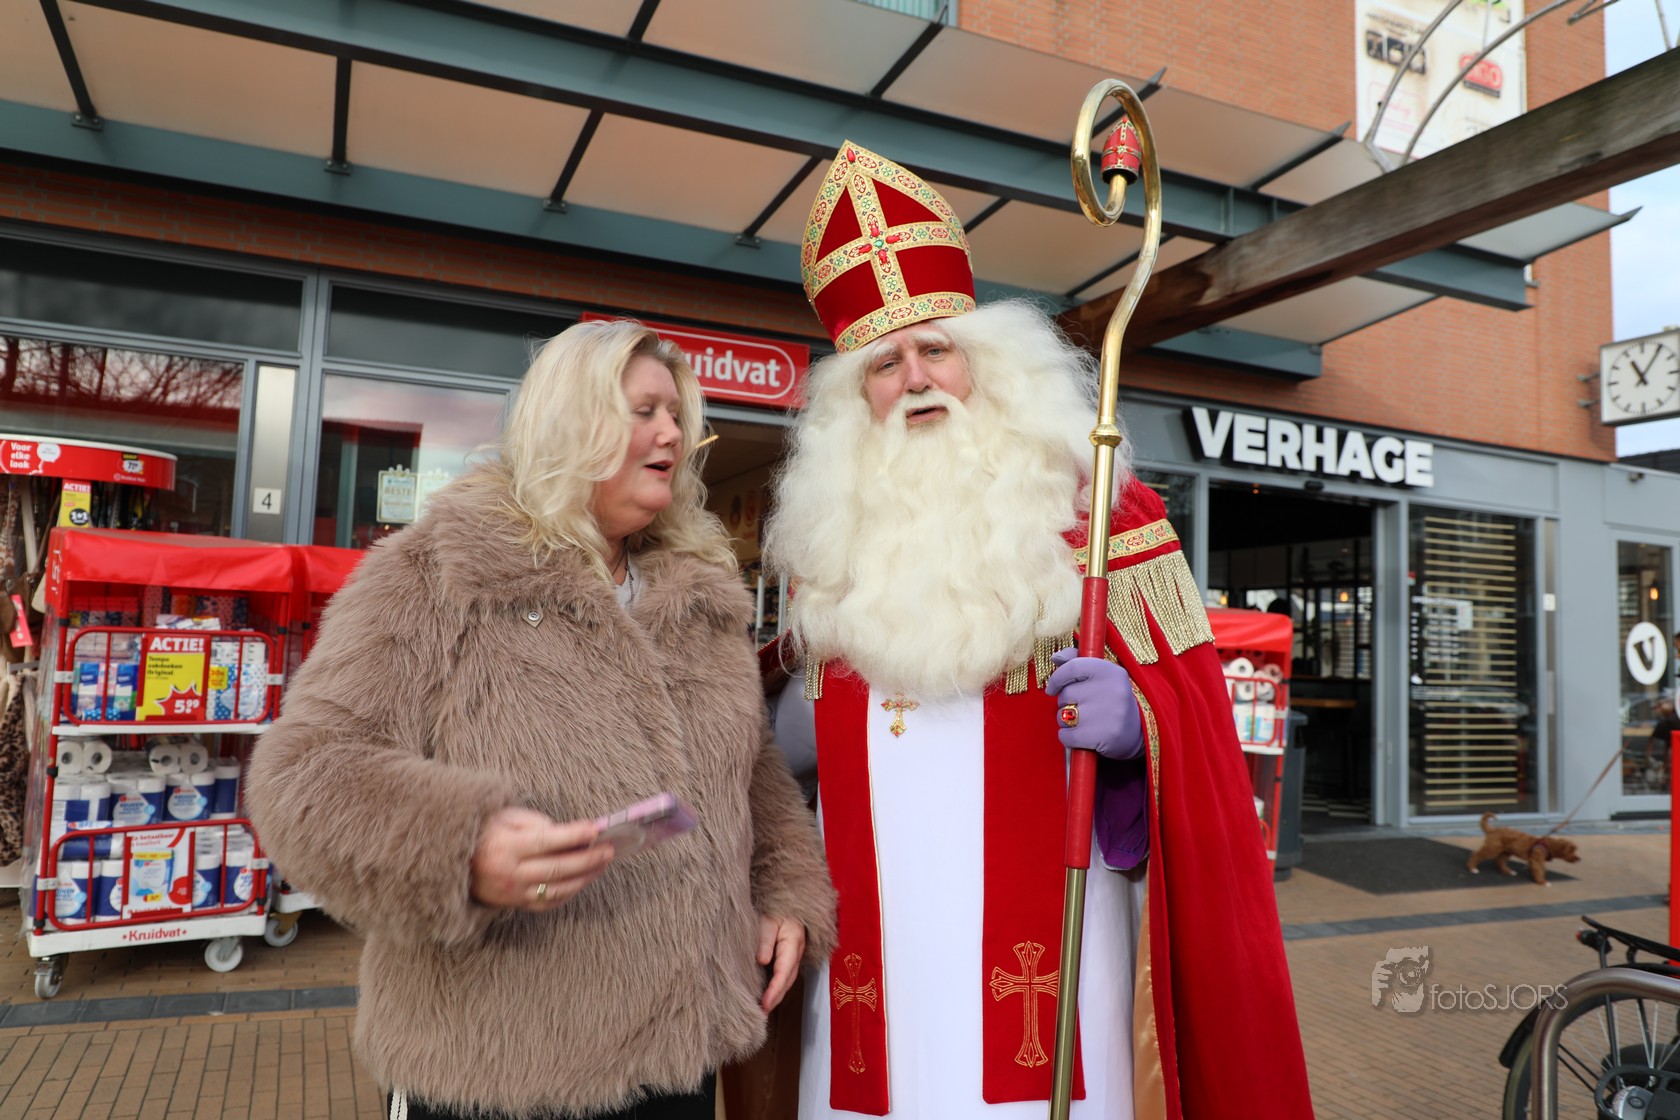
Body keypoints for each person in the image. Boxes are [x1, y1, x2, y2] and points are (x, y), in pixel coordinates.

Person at [761, 142, 1313, 1118]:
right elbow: (784, 762)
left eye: (937, 348)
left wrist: (1142, 727)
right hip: (870, 978)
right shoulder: (826, 549)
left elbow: (1202, 747)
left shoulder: (1104, 518)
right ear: (857, 398)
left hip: (1053, 970)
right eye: (886, 362)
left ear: (989, 361)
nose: (917, 377)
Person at [247, 319, 836, 1120]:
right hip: (499, 1068)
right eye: (644, 411)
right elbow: (305, 774)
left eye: (676, 415)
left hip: (678, 1058)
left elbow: (755, 772)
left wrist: (785, 890)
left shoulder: (701, 596)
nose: (672, 433)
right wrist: (461, 848)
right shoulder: (436, 572)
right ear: (567, 424)